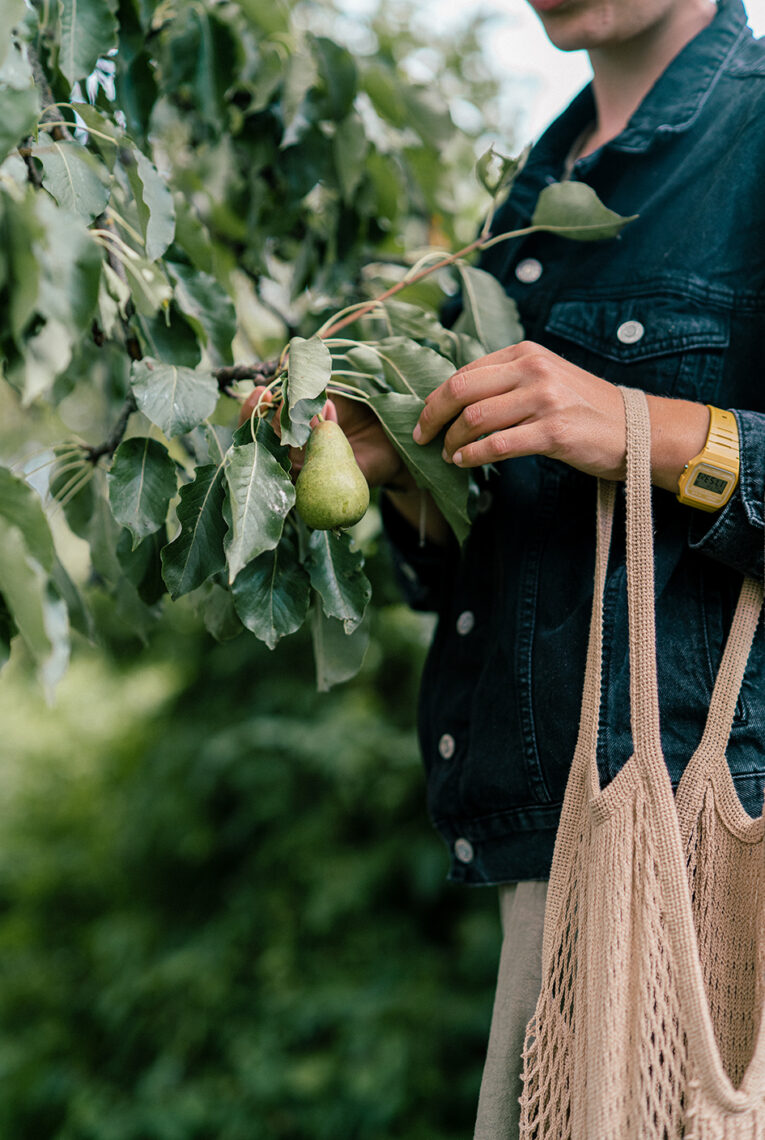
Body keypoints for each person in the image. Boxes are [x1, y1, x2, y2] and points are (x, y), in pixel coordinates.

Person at [246, 0, 765, 1133]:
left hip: (707, 864)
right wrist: (409, 474)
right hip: (562, 869)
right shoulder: (525, 207)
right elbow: (511, 566)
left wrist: (638, 423)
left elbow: (625, 444)